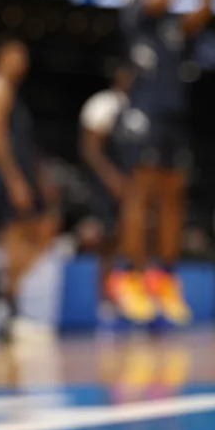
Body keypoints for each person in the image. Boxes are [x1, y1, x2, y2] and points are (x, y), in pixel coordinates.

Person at [110, 0, 215, 326]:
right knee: (140, 194)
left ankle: (164, 277)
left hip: (173, 114)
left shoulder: (170, 27)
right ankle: (130, 275)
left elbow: (205, 5)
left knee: (173, 195)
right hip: (144, 111)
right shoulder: (137, 4)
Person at [0, 37, 57, 342]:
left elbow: (27, 143)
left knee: (41, 231)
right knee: (15, 237)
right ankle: (7, 306)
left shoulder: (13, 91)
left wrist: (39, 177)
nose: (22, 61)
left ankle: (9, 299)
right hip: (6, 173)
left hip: (22, 171)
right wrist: (12, 179)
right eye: (16, 55)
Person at [78, 60, 137, 313]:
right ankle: (106, 300)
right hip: (108, 186)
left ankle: (133, 296)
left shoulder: (141, 107)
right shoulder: (103, 104)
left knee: (134, 239)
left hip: (135, 186)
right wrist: (111, 177)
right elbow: (90, 149)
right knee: (108, 240)